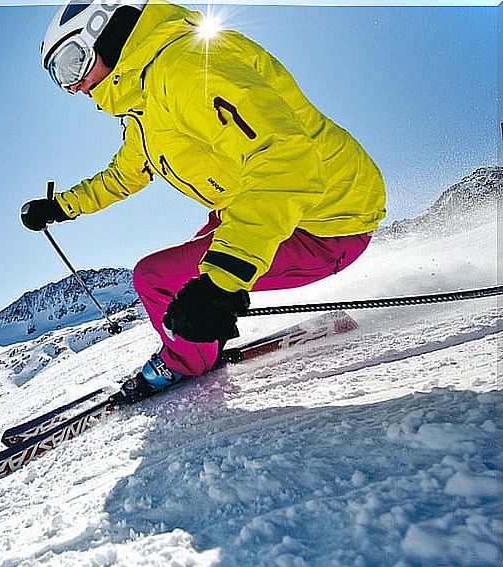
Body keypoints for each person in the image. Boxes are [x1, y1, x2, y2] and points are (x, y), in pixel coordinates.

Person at [21, 0, 386, 403]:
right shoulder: (144, 107)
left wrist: (221, 284)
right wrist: (61, 207)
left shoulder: (187, 67)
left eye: (72, 62)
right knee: (193, 260)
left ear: (106, 30)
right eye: (59, 77)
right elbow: (125, 174)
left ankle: (186, 361)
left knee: (155, 277)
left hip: (328, 220)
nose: (71, 86)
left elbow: (284, 158)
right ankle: (199, 338)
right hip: (298, 204)